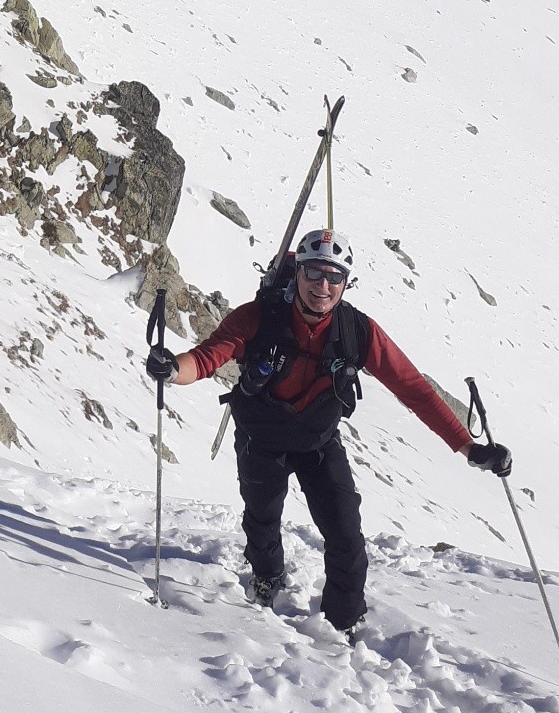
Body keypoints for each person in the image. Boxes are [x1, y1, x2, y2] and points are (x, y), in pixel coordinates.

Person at [146, 227, 512, 641]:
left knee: (345, 534)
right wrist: (173, 369)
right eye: (314, 273)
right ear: (297, 273)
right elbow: (211, 355)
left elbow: (412, 388)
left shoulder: (357, 331)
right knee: (262, 519)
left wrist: (468, 447)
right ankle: (267, 576)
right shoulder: (259, 316)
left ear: (346, 282)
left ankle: (344, 622)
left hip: (317, 441)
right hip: (261, 436)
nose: (323, 285)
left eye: (334, 276)